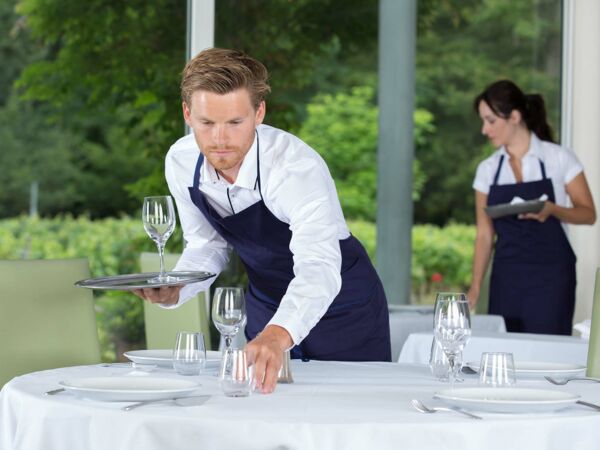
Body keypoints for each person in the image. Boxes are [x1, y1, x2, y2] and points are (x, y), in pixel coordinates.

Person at [133, 48, 391, 393]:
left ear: (259, 113)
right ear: (187, 114)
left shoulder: (295, 167)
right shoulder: (181, 162)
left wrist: (279, 333)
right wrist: (179, 287)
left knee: (351, 416)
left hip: (342, 304)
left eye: (235, 123)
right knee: (265, 412)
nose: (220, 139)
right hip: (267, 303)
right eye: (207, 123)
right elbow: (207, 244)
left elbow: (318, 264)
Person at [467, 79, 596, 335]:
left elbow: (588, 214)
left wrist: (552, 209)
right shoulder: (488, 170)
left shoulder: (559, 158)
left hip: (552, 277)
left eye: (490, 120)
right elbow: (484, 234)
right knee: (504, 350)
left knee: (549, 352)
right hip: (507, 275)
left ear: (514, 116)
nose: (484, 129)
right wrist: (475, 287)